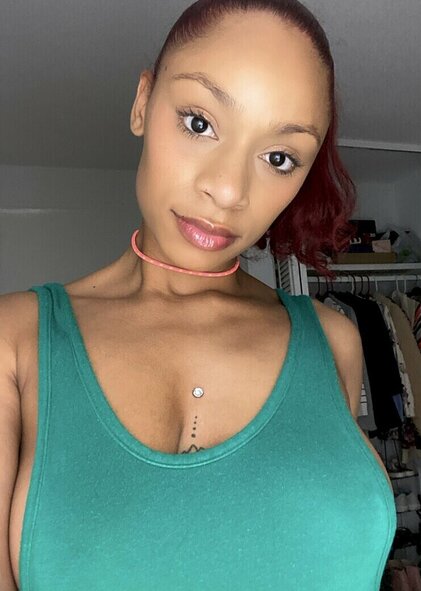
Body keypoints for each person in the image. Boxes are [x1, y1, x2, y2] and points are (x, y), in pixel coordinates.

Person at [1, 0, 397, 589]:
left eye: (279, 158)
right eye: (199, 123)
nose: (229, 189)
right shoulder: (15, 342)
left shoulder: (333, 339)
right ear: (142, 102)